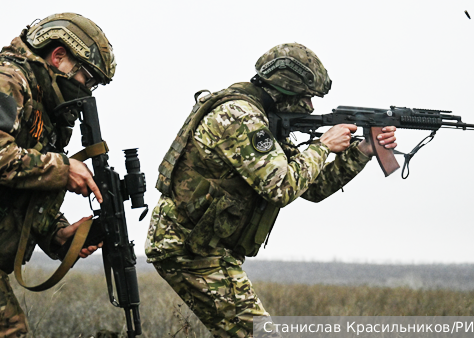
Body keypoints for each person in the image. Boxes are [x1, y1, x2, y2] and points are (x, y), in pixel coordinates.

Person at [145, 43, 398, 337]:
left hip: (203, 246)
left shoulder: (261, 119)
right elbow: (281, 187)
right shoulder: (241, 117)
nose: (311, 107)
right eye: (306, 98)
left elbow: (312, 188)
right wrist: (323, 146)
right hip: (190, 249)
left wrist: (363, 151)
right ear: (286, 89)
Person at [0, 13, 115, 337]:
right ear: (58, 57)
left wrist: (58, 236)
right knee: (1, 326)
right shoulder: (3, 79)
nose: (88, 89)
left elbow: (19, 193)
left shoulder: (48, 115)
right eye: (88, 77)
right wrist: (62, 169)